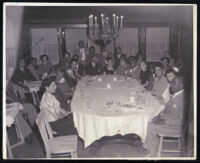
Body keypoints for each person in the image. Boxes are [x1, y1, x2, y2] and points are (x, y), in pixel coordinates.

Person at [142, 75, 185, 157]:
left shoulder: (183, 98)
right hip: (169, 122)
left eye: (174, 83)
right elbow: (167, 108)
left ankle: (152, 153)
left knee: (149, 126)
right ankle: (149, 145)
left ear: (181, 85)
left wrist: (164, 121)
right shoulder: (176, 94)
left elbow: (182, 120)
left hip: (176, 127)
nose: (171, 85)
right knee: (149, 119)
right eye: (171, 82)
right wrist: (159, 116)